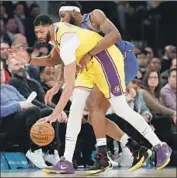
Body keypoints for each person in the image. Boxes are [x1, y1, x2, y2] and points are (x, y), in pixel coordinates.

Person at [9, 14, 171, 174]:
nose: (39, 35)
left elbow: (69, 85)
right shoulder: (56, 32)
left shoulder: (67, 41)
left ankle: (160, 146)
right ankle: (66, 161)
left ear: (50, 26)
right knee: (76, 109)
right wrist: (29, 60)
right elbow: (52, 59)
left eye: (41, 31)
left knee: (121, 109)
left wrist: (55, 114)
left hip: (106, 61)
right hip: (88, 65)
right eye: (36, 32)